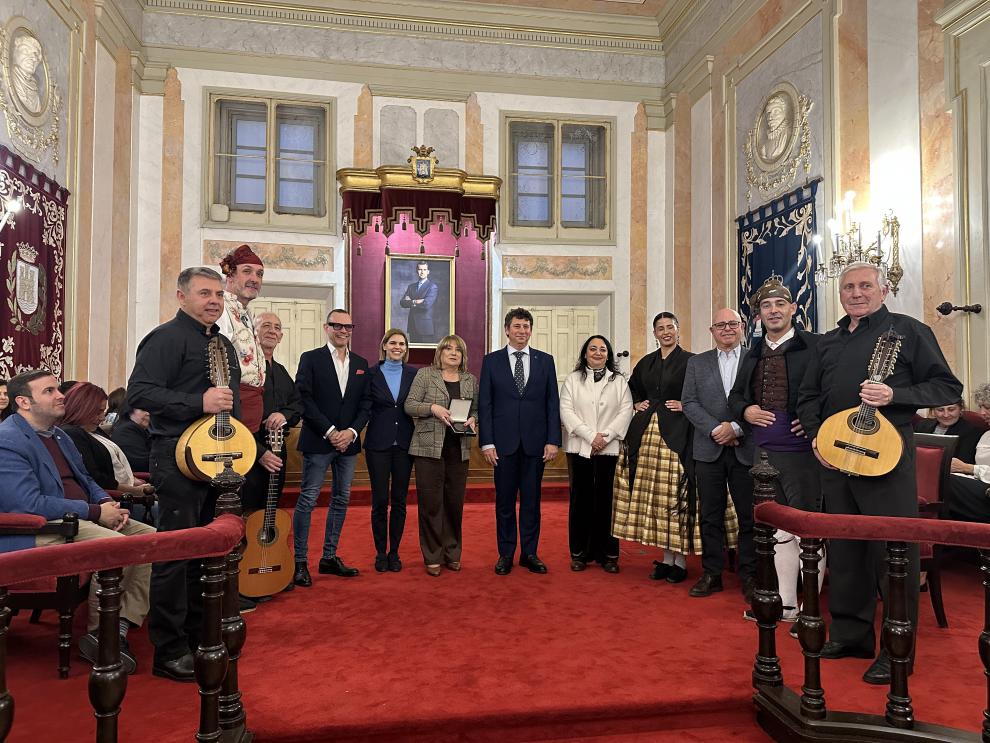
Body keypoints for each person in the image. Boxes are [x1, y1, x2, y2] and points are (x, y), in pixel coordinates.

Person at [798, 261, 962, 684]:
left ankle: (897, 648)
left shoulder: (908, 331)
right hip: (835, 459)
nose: (856, 293)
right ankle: (851, 635)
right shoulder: (827, 342)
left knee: (894, 554)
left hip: (887, 461)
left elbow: (946, 389)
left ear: (883, 290)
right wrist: (817, 439)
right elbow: (808, 397)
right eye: (849, 286)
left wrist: (895, 394)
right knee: (846, 551)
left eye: (865, 286)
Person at [0, 370, 155, 675]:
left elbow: (85, 479)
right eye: (49, 391)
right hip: (41, 528)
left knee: (150, 539)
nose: (61, 396)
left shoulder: (59, 434)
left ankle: (118, 626)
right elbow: (26, 504)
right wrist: (96, 513)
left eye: (59, 389)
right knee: (117, 547)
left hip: (78, 517)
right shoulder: (8, 441)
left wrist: (106, 502)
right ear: (23, 402)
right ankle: (102, 633)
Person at [127, 266, 241, 683]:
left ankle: (200, 635)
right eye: (204, 293)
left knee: (209, 551)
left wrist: (242, 452)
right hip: (175, 459)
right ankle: (169, 649)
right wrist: (199, 401)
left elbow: (230, 403)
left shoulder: (223, 345)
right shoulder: (166, 338)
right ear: (181, 297)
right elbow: (140, 393)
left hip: (219, 460)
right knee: (176, 554)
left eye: (218, 295)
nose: (214, 300)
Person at [728, 277, 822, 623]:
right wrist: (745, 411)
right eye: (766, 306)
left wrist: (813, 422)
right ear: (758, 315)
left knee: (807, 528)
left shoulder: (815, 346)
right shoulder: (752, 352)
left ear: (793, 309)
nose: (773, 311)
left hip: (803, 453)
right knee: (777, 529)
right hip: (762, 454)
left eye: (780, 305)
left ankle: (810, 608)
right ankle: (785, 605)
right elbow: (736, 396)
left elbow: (829, 391)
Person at [613, 312, 719, 584]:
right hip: (647, 438)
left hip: (678, 436)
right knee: (656, 499)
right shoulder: (646, 362)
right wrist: (637, 403)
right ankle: (666, 558)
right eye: (660, 328)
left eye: (670, 327)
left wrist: (686, 405)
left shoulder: (692, 361)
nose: (666, 332)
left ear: (678, 330)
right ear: (655, 333)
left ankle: (680, 561)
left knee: (675, 498)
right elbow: (631, 389)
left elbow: (704, 393)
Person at [479, 307, 560, 575]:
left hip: (536, 445)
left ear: (530, 330)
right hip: (502, 446)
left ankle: (529, 553)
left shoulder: (545, 361)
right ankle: (505, 554)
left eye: (526, 326)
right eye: (517, 326)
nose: (522, 331)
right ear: (507, 329)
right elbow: (486, 405)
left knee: (531, 502)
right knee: (504, 503)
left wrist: (553, 440)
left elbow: (552, 404)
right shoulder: (491, 361)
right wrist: (487, 442)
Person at [293, 308, 371, 584]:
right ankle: (299, 562)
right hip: (318, 441)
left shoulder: (361, 363)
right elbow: (304, 398)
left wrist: (350, 432)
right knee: (308, 499)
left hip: (348, 445)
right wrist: (330, 431)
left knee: (341, 499)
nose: (343, 330)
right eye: (337, 325)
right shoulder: (311, 359)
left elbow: (366, 404)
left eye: (348, 326)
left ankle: (329, 557)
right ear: (327, 327)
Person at [682, 308, 755, 601]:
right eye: (720, 325)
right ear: (711, 331)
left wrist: (736, 428)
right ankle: (712, 573)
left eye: (732, 324)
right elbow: (689, 402)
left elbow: (764, 399)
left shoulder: (756, 359)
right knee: (709, 515)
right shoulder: (697, 363)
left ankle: (750, 575)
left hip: (745, 449)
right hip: (707, 448)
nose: (727, 329)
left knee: (749, 517)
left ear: (743, 327)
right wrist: (716, 429)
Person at [405, 334, 478, 576]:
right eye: (448, 348)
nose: (453, 353)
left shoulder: (470, 380)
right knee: (431, 505)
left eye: (458, 349)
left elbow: (476, 409)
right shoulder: (425, 375)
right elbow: (410, 404)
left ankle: (452, 553)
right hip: (428, 448)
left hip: (459, 449)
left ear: (463, 355)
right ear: (440, 353)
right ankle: (432, 555)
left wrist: (473, 419)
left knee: (454, 504)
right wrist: (432, 408)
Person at [560, 335, 633, 573]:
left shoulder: (619, 381)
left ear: (609, 355)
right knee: (580, 500)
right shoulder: (573, 379)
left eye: (603, 349)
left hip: (609, 449)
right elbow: (566, 411)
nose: (598, 353)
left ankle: (609, 555)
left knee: (607, 501)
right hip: (580, 447)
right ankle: (579, 553)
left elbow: (626, 411)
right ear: (585, 354)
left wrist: (606, 436)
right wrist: (591, 437)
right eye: (593, 349)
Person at [363, 329, 417, 573]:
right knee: (380, 500)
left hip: (405, 444)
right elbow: (363, 405)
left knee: (400, 501)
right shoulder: (370, 373)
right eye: (393, 343)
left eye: (402, 344)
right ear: (384, 346)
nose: (397, 347)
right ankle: (380, 553)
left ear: (406, 348)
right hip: (378, 444)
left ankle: (394, 552)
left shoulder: (414, 374)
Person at [242, 312, 303, 511]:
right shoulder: (244, 370)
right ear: (254, 331)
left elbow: (298, 405)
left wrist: (283, 415)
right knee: (248, 508)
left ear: (281, 337)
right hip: (249, 449)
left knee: (271, 507)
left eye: (277, 327)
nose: (272, 331)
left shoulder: (282, 371)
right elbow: (235, 415)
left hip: (277, 450)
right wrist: (260, 453)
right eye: (266, 325)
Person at [60, 382, 156, 501]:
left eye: (103, 411)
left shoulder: (95, 430)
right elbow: (96, 479)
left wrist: (133, 481)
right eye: (98, 412)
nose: (103, 418)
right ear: (82, 409)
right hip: (114, 499)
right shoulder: (73, 433)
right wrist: (134, 490)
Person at [217, 244, 267, 433]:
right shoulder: (221, 308)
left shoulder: (245, 312)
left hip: (249, 412)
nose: (255, 279)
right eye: (247, 271)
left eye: (259, 274)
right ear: (230, 274)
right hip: (231, 410)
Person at [945, 382, 990, 524]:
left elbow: (972, 468)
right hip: (980, 486)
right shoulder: (986, 435)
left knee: (948, 482)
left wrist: (967, 468)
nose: (982, 412)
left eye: (988, 407)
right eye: (981, 407)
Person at [914, 397, 983, 464]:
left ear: (960, 409)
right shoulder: (921, 425)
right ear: (933, 410)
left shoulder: (972, 432)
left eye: (951, 409)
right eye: (940, 410)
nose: (946, 415)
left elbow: (962, 464)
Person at [399, 261, 439, 343]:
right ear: (417, 271)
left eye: (424, 269)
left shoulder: (432, 287)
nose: (422, 272)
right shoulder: (411, 287)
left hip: (425, 328)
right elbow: (402, 303)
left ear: (428, 272)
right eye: (420, 269)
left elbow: (426, 305)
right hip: (412, 326)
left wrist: (410, 301)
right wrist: (416, 301)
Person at [111, 403, 152, 473]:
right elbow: (142, 463)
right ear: (129, 411)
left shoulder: (139, 428)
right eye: (143, 409)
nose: (148, 413)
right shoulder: (126, 431)